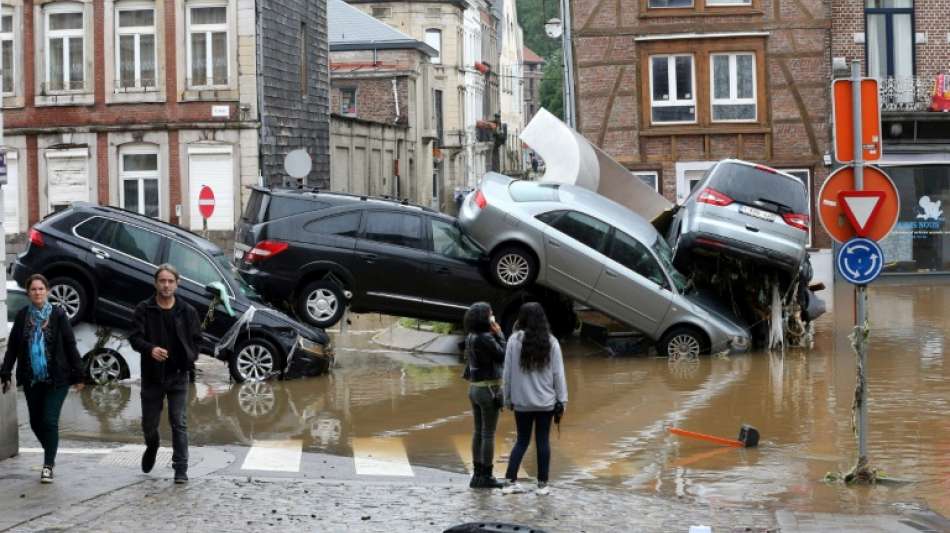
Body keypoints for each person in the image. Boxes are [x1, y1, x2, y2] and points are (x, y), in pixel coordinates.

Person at [1, 274, 85, 483]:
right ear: (28, 293)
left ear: (47, 291)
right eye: (33, 289)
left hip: (57, 378)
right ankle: (51, 450)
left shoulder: (58, 315)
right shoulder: (23, 316)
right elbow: (12, 348)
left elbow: (70, 344)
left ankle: (48, 465)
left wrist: (79, 374)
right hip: (32, 378)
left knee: (49, 420)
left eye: (41, 289)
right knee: (35, 422)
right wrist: (6, 372)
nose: (37, 292)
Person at [129, 264, 201, 484]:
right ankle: (152, 446)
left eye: (170, 281)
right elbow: (134, 337)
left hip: (178, 375)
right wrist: (150, 349)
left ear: (177, 284)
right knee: (149, 425)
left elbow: (197, 340)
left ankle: (181, 468)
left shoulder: (187, 311)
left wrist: (190, 357)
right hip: (152, 377)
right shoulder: (144, 308)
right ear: (156, 283)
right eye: (162, 281)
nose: (166, 285)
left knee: (179, 422)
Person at [501, 302, 568, 496]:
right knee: (542, 442)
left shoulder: (513, 341)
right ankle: (542, 485)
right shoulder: (551, 342)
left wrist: (507, 398)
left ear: (521, 318)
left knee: (521, 441)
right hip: (546, 403)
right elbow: (558, 375)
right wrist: (562, 401)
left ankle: (509, 482)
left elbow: (507, 373)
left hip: (521, 402)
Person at [462, 302, 507, 489]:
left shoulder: (471, 336)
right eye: (491, 314)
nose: (493, 317)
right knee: (488, 434)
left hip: (475, 389)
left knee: (478, 432)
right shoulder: (486, 337)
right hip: (489, 390)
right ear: (485, 318)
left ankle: (477, 475)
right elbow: (503, 355)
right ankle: (487, 476)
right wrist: (500, 334)